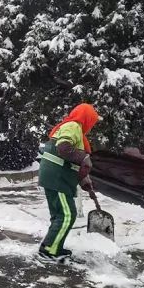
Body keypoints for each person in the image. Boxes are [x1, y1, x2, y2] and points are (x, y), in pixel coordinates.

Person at [38, 103, 100, 263]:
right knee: (67, 214)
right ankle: (49, 250)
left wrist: (85, 181)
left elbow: (74, 163)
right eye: (92, 121)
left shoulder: (77, 132)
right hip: (57, 177)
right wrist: (84, 158)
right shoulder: (73, 126)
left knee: (59, 215)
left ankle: (52, 246)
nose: (92, 125)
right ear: (86, 118)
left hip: (56, 177)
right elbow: (64, 148)